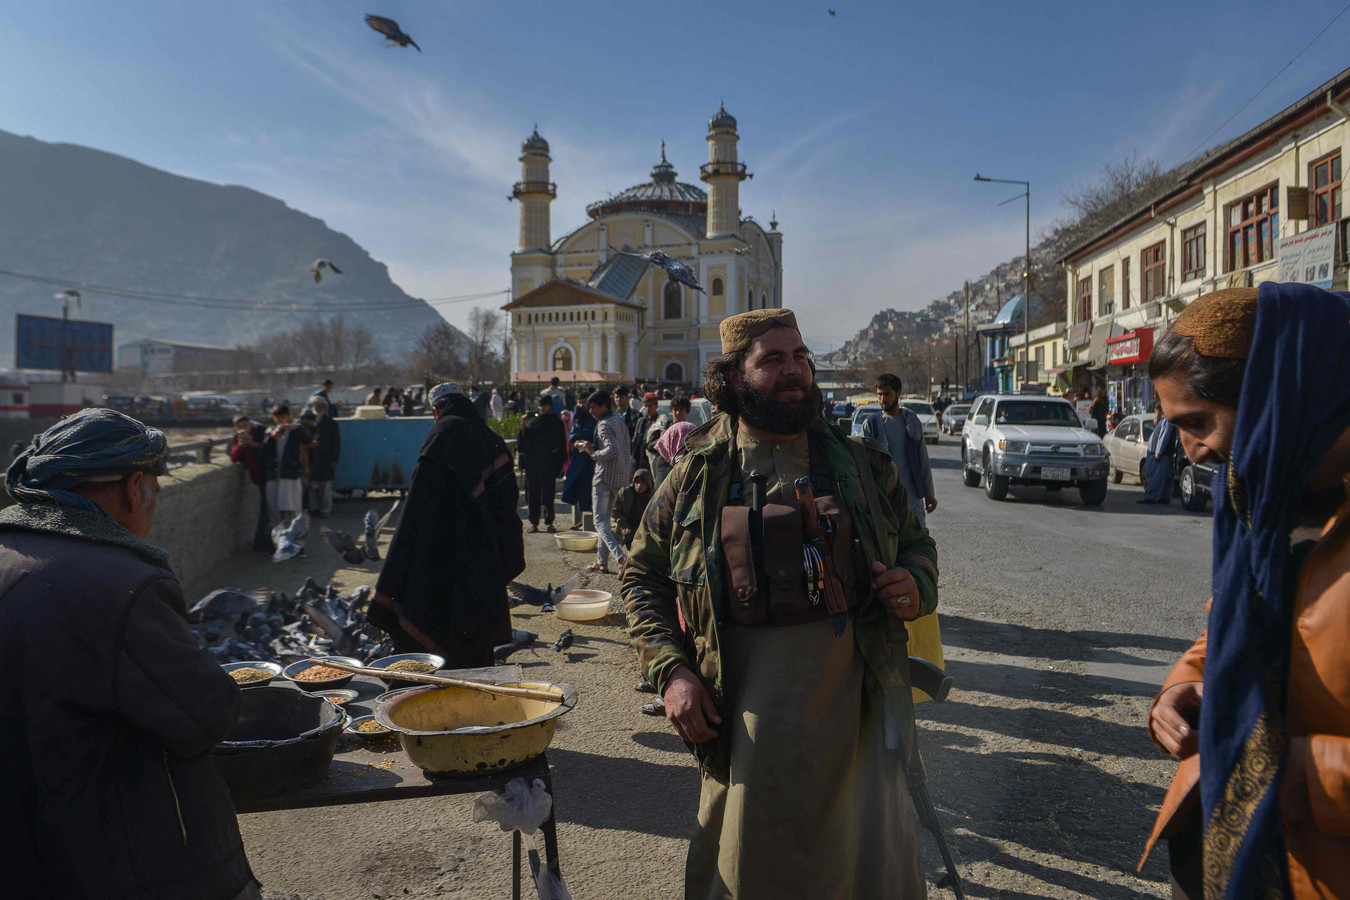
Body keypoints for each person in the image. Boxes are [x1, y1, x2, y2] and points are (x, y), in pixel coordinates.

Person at [623, 308, 940, 900]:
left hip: (858, 720)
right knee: (752, 868)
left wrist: (915, 582)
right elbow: (642, 575)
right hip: (746, 721)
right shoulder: (695, 475)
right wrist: (671, 672)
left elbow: (918, 544)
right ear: (734, 376)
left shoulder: (864, 468)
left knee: (869, 868)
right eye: (772, 359)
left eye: (800, 357)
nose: (793, 371)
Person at [1140, 285, 1350, 899]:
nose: (1191, 451)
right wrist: (1180, 687)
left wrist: (1306, 777)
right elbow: (1234, 626)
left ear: (1277, 394)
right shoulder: (1260, 498)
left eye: (1198, 423)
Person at [0, 409, 259, 900]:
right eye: (155, 489)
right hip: (106, 860)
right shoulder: (121, 585)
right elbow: (206, 715)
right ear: (134, 487)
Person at [372, 383, 525, 666]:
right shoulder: (492, 440)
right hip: (484, 557)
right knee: (475, 636)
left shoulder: (440, 436)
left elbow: (418, 508)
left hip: (443, 556)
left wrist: (397, 571)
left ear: (436, 410)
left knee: (441, 626)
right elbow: (507, 505)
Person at [861, 374, 938, 528]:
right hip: (883, 499)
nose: (883, 399)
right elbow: (862, 465)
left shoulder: (911, 421)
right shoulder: (871, 425)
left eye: (887, 394)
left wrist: (929, 494)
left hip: (912, 497)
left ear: (899, 392)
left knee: (916, 543)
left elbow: (922, 458)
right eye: (880, 395)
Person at [576, 390, 632, 574]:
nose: (590, 411)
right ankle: (602, 563)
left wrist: (592, 453)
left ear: (603, 406)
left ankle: (620, 557)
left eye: (593, 407)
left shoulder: (604, 425)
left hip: (604, 477)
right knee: (605, 521)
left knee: (599, 522)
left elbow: (612, 449)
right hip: (619, 477)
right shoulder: (618, 421)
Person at [517, 395, 567, 533]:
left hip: (548, 464)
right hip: (533, 465)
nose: (542, 408)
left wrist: (557, 464)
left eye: (545, 405)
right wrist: (523, 425)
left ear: (550, 406)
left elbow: (560, 443)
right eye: (540, 406)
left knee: (548, 494)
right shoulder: (533, 422)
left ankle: (549, 522)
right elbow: (523, 443)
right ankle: (534, 522)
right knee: (532, 494)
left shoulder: (555, 422)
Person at [261, 404, 312, 527]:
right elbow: (262, 453)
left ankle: (295, 536)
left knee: (292, 508)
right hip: (274, 475)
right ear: (274, 418)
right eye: (277, 417)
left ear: (288, 417)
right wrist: (272, 437)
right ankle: (278, 537)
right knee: (274, 509)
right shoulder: (269, 432)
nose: (280, 420)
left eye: (283, 417)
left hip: (290, 475)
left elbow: (308, 440)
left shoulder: (294, 432)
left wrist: (295, 428)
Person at [229, 413, 272, 551]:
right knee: (265, 509)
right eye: (240, 427)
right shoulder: (239, 438)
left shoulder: (261, 433)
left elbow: (268, 450)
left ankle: (264, 541)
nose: (243, 429)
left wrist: (254, 444)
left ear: (250, 424)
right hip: (258, 477)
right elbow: (234, 457)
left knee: (268, 509)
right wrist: (241, 445)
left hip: (269, 474)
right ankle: (262, 542)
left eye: (245, 426)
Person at [561, 405, 595, 530]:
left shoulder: (593, 420)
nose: (581, 406)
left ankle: (590, 522)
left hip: (590, 462)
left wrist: (579, 440)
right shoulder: (577, 419)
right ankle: (582, 519)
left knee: (588, 491)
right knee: (579, 490)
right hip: (577, 462)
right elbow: (572, 436)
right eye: (580, 403)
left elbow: (586, 434)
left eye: (584, 402)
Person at [647, 394, 692, 488]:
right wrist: (661, 440)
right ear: (672, 410)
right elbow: (649, 447)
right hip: (662, 475)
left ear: (687, 411)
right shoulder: (663, 426)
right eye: (675, 409)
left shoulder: (690, 430)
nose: (678, 413)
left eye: (681, 409)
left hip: (682, 477)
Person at [1138, 402, 1177, 506]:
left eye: (1156, 411)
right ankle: (1164, 497)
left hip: (1162, 454)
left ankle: (1152, 497)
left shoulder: (1167, 420)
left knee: (1157, 476)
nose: (1156, 414)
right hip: (1163, 453)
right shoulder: (1163, 420)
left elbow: (1163, 436)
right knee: (1165, 476)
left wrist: (1158, 452)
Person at [307, 397, 341, 518]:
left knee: (325, 486)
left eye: (321, 406)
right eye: (316, 406)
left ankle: (325, 509)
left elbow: (336, 443)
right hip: (311, 459)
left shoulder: (331, 423)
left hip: (326, 458)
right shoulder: (307, 423)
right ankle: (314, 508)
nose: (318, 408)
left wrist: (334, 459)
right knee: (312, 486)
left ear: (325, 408)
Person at [610, 468, 653, 549]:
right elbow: (615, 512)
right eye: (637, 482)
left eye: (643, 483)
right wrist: (622, 525)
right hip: (627, 525)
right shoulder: (625, 493)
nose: (639, 486)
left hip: (643, 528)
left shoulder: (652, 498)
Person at [632, 391, 660, 470]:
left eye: (650, 406)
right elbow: (635, 440)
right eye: (646, 406)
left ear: (656, 406)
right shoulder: (641, 421)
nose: (647, 409)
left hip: (652, 460)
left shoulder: (659, 422)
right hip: (639, 459)